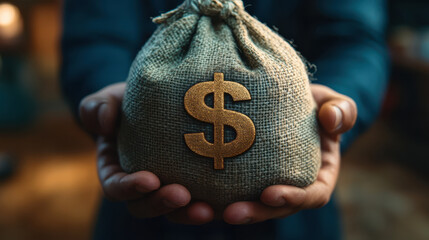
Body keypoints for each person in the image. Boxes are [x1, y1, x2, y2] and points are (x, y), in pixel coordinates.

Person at [61, 0, 389, 239]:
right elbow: (93, 38)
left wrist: (328, 115)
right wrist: (114, 106)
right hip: (144, 215)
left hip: (294, 224)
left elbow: (355, 40)